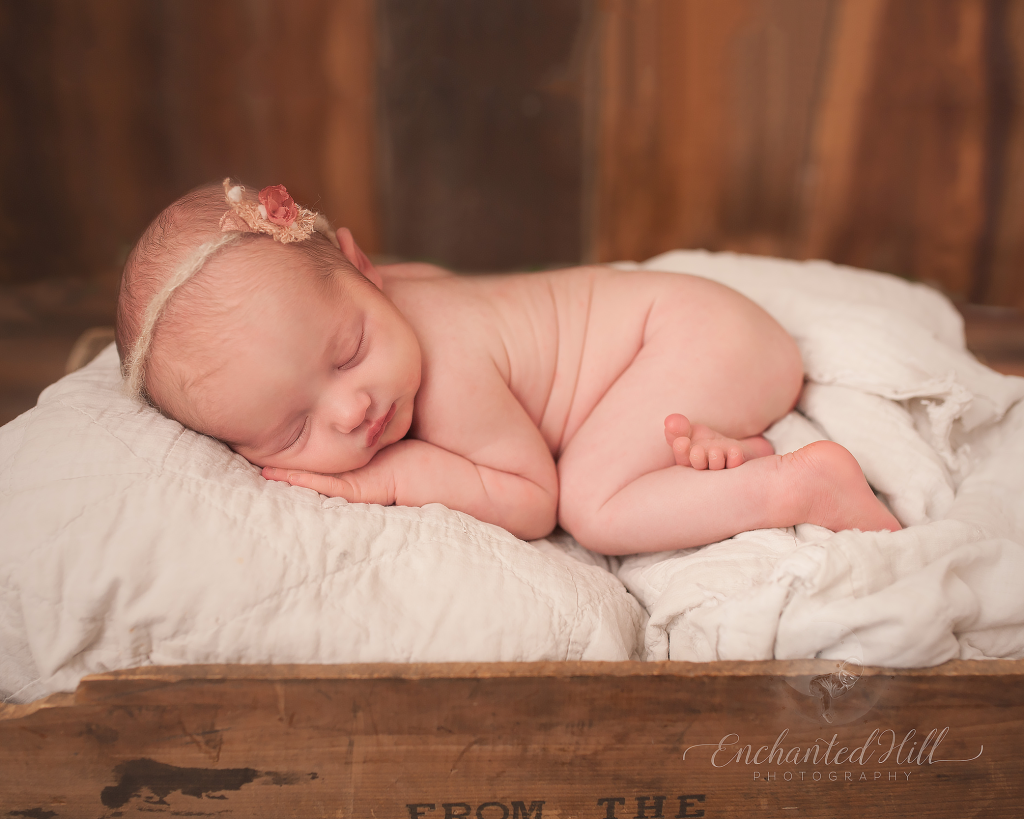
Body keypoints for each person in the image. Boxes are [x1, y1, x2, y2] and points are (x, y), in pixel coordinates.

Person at [116, 180, 900, 556]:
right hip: (693, 348)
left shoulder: (445, 373)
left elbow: (532, 499)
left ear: (363, 267)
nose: (351, 408)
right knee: (625, 454)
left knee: (596, 506)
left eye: (349, 354)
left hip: (699, 336)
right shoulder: (379, 298)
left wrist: (390, 478)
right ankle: (725, 458)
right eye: (292, 427)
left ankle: (798, 484)